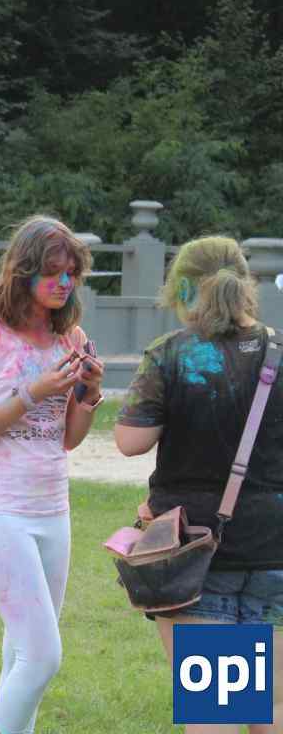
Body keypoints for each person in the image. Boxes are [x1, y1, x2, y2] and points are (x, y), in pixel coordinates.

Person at [115, 235, 283, 733]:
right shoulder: (279, 351)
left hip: (198, 552)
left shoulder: (172, 354)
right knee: (272, 707)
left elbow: (130, 441)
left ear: (185, 289)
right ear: (245, 285)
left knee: (217, 711)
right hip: (275, 549)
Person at [0, 215, 104, 734]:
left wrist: (89, 393)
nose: (64, 283)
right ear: (24, 272)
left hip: (52, 508)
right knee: (41, 657)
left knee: (21, 653)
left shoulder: (72, 338)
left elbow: (68, 438)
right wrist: (32, 393)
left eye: (72, 273)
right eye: (53, 272)